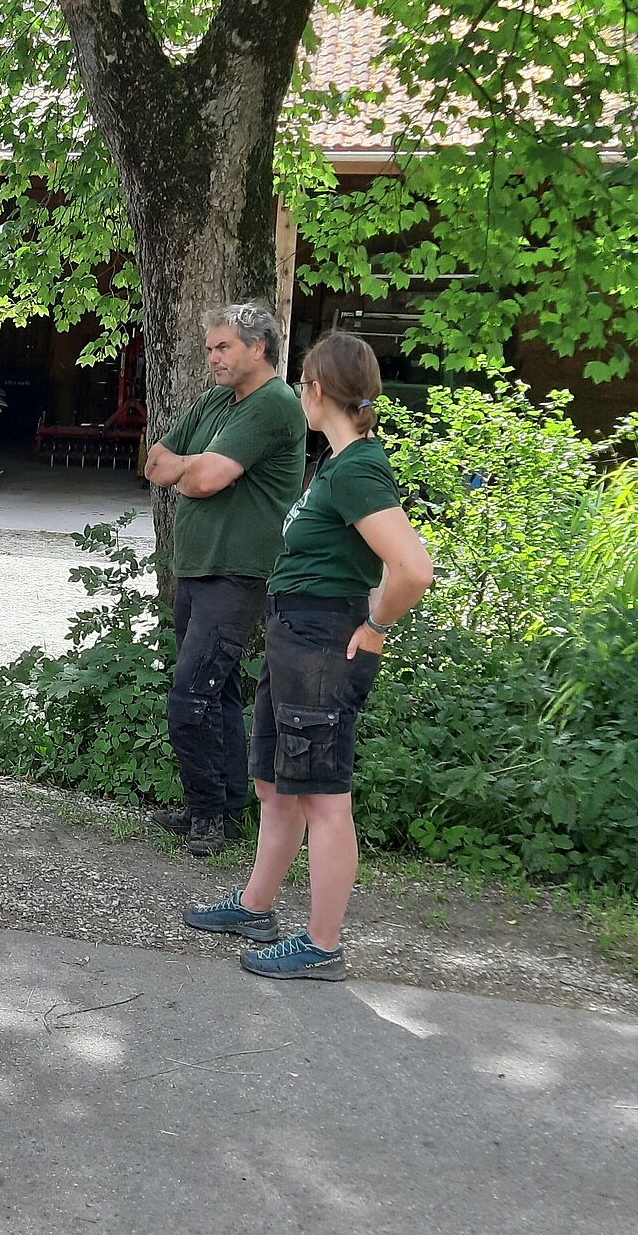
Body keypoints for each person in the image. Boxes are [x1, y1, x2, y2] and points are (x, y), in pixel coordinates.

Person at [184, 333, 432, 981]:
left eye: (302, 382)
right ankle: (255, 908)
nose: (298, 391)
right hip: (295, 633)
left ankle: (322, 946)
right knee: (272, 781)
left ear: (318, 391)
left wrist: (375, 627)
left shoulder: (358, 468)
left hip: (323, 639)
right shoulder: (339, 461)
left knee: (324, 798)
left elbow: (412, 568)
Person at [143, 302, 309, 856]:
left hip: (237, 573)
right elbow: (155, 462)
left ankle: (207, 817)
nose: (211, 357)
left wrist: (191, 471)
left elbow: (203, 480)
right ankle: (221, 806)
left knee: (190, 695)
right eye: (210, 347)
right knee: (217, 695)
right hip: (196, 566)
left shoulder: (273, 405)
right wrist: (195, 468)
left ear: (257, 348)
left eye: (223, 348)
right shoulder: (216, 400)